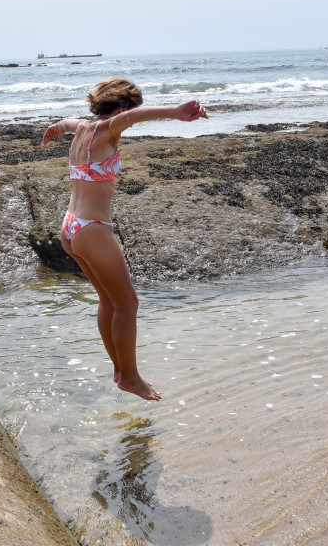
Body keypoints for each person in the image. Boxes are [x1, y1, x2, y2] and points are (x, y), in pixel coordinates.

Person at [42, 77, 208, 400]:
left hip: (70, 227)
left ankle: (120, 370)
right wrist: (176, 111)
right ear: (119, 108)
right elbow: (131, 119)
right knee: (128, 303)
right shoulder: (107, 130)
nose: (127, 121)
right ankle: (130, 376)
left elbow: (65, 122)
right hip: (92, 228)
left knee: (110, 301)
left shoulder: (82, 129)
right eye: (127, 111)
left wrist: (54, 128)